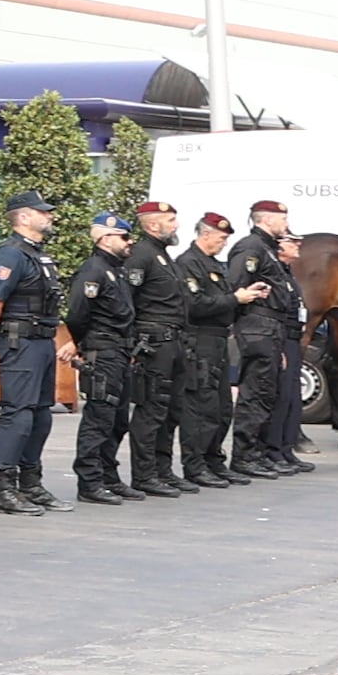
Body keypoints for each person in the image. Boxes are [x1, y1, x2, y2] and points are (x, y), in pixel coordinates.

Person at [0, 194, 66, 515]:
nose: (50, 216)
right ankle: (5, 488)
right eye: (44, 212)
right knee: (18, 413)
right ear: (24, 217)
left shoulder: (36, 254)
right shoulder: (10, 254)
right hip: (20, 342)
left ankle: (31, 483)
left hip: (41, 341)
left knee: (41, 414)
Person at [64, 210, 144, 504]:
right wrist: (84, 343)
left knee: (117, 419)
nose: (129, 242)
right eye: (124, 237)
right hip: (103, 351)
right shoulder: (93, 271)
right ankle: (90, 482)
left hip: (120, 352)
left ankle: (109, 476)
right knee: (99, 418)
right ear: (105, 238)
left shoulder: (116, 270)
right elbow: (76, 314)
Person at [126, 197, 195, 498]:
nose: (176, 225)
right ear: (153, 225)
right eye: (170, 221)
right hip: (153, 343)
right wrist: (132, 343)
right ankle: (144, 474)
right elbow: (126, 301)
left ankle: (163, 470)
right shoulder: (140, 255)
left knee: (171, 410)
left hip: (174, 341)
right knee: (151, 409)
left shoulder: (163, 256)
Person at [171, 213, 246, 489]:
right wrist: (234, 299)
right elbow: (195, 304)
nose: (224, 243)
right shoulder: (189, 264)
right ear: (205, 234)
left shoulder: (214, 264)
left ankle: (214, 459)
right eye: (221, 238)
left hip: (218, 340)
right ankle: (195, 464)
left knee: (222, 406)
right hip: (199, 339)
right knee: (200, 406)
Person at [232, 201, 303, 477]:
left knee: (266, 394)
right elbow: (237, 285)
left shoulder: (267, 249)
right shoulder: (251, 247)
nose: (286, 224)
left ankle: (259, 453)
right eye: (283, 219)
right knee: (255, 394)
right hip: (257, 325)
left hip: (271, 327)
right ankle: (244, 457)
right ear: (267, 219)